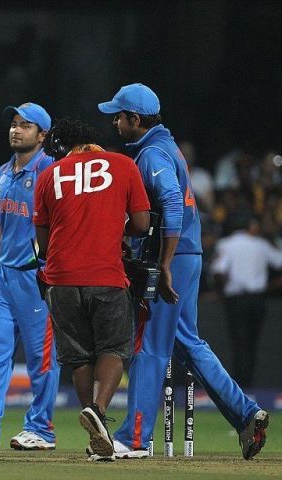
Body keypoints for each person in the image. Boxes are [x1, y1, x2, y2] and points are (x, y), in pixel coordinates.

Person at [99, 83, 270, 460]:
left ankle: (135, 438)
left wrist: (163, 263)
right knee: (187, 344)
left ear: (136, 119)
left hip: (172, 255)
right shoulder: (163, 146)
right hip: (186, 253)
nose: (115, 121)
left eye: (120, 115)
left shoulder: (153, 153)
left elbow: (173, 204)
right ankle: (246, 414)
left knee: (150, 346)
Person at [32, 118, 150, 461]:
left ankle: (95, 426)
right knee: (113, 347)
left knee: (79, 356)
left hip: (61, 277)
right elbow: (142, 224)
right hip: (106, 273)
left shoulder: (48, 175)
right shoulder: (124, 165)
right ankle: (98, 410)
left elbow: (42, 241)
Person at [0, 102, 59, 451]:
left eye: (26, 125)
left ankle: (42, 429)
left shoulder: (51, 171)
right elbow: (3, 228)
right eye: (14, 124)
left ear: (43, 135)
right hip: (5, 275)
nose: (16, 130)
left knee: (41, 360)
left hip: (37, 279)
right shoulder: (4, 171)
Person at [212, 216, 282, 387]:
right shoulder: (261, 244)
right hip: (257, 299)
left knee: (238, 343)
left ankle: (240, 386)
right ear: (250, 225)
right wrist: (269, 286)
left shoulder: (226, 244)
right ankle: (249, 384)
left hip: (236, 299)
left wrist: (222, 290)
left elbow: (219, 271)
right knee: (252, 343)